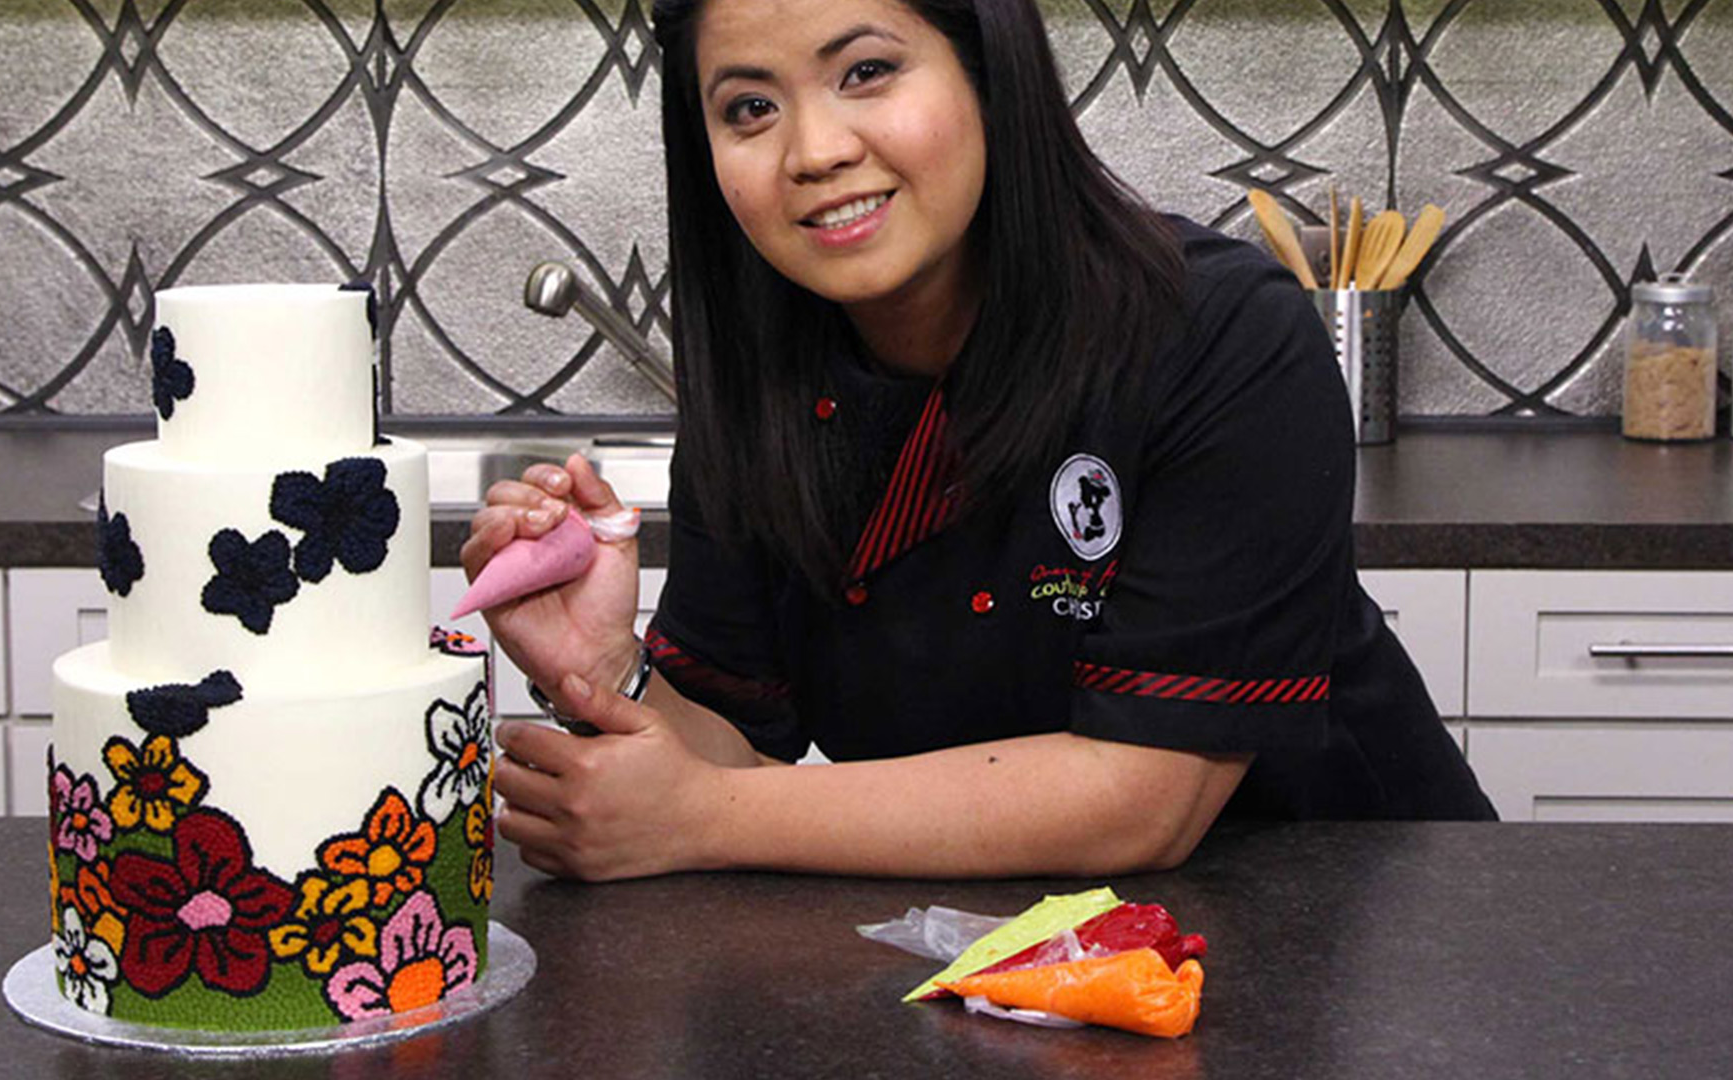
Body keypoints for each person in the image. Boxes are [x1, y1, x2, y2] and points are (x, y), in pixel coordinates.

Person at [460, 0, 1495, 882]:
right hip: (1000, 956)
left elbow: (1144, 798)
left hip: (1349, 930)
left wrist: (702, 819)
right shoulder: (759, 391)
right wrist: (607, 669)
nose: (813, 151)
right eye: (750, 108)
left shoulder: (1218, 333)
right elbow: (726, 756)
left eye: (867, 71)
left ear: (990, 74)